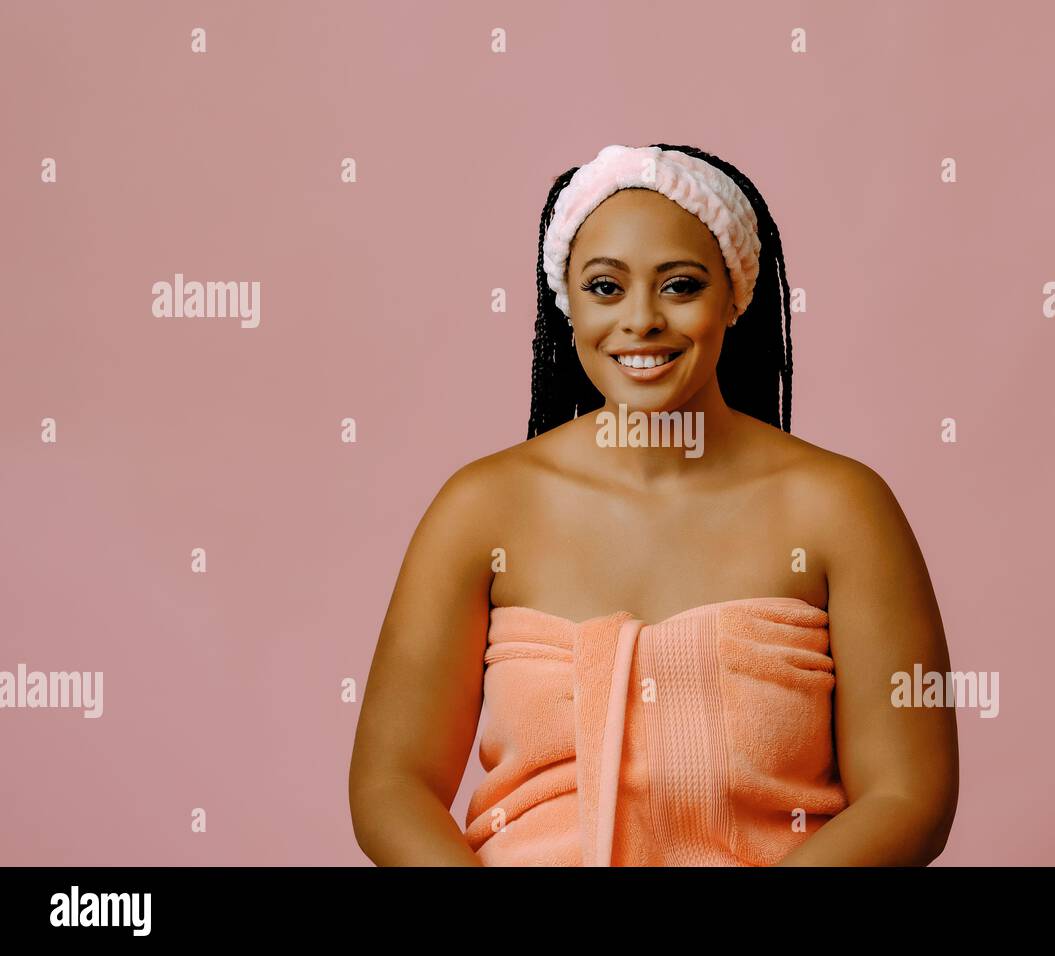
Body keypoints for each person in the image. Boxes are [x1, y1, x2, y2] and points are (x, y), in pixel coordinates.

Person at [349, 143, 958, 866]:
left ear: (735, 294)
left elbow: (908, 796)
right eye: (605, 287)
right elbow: (392, 785)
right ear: (566, 300)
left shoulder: (840, 510)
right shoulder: (480, 510)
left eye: (680, 286)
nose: (640, 321)